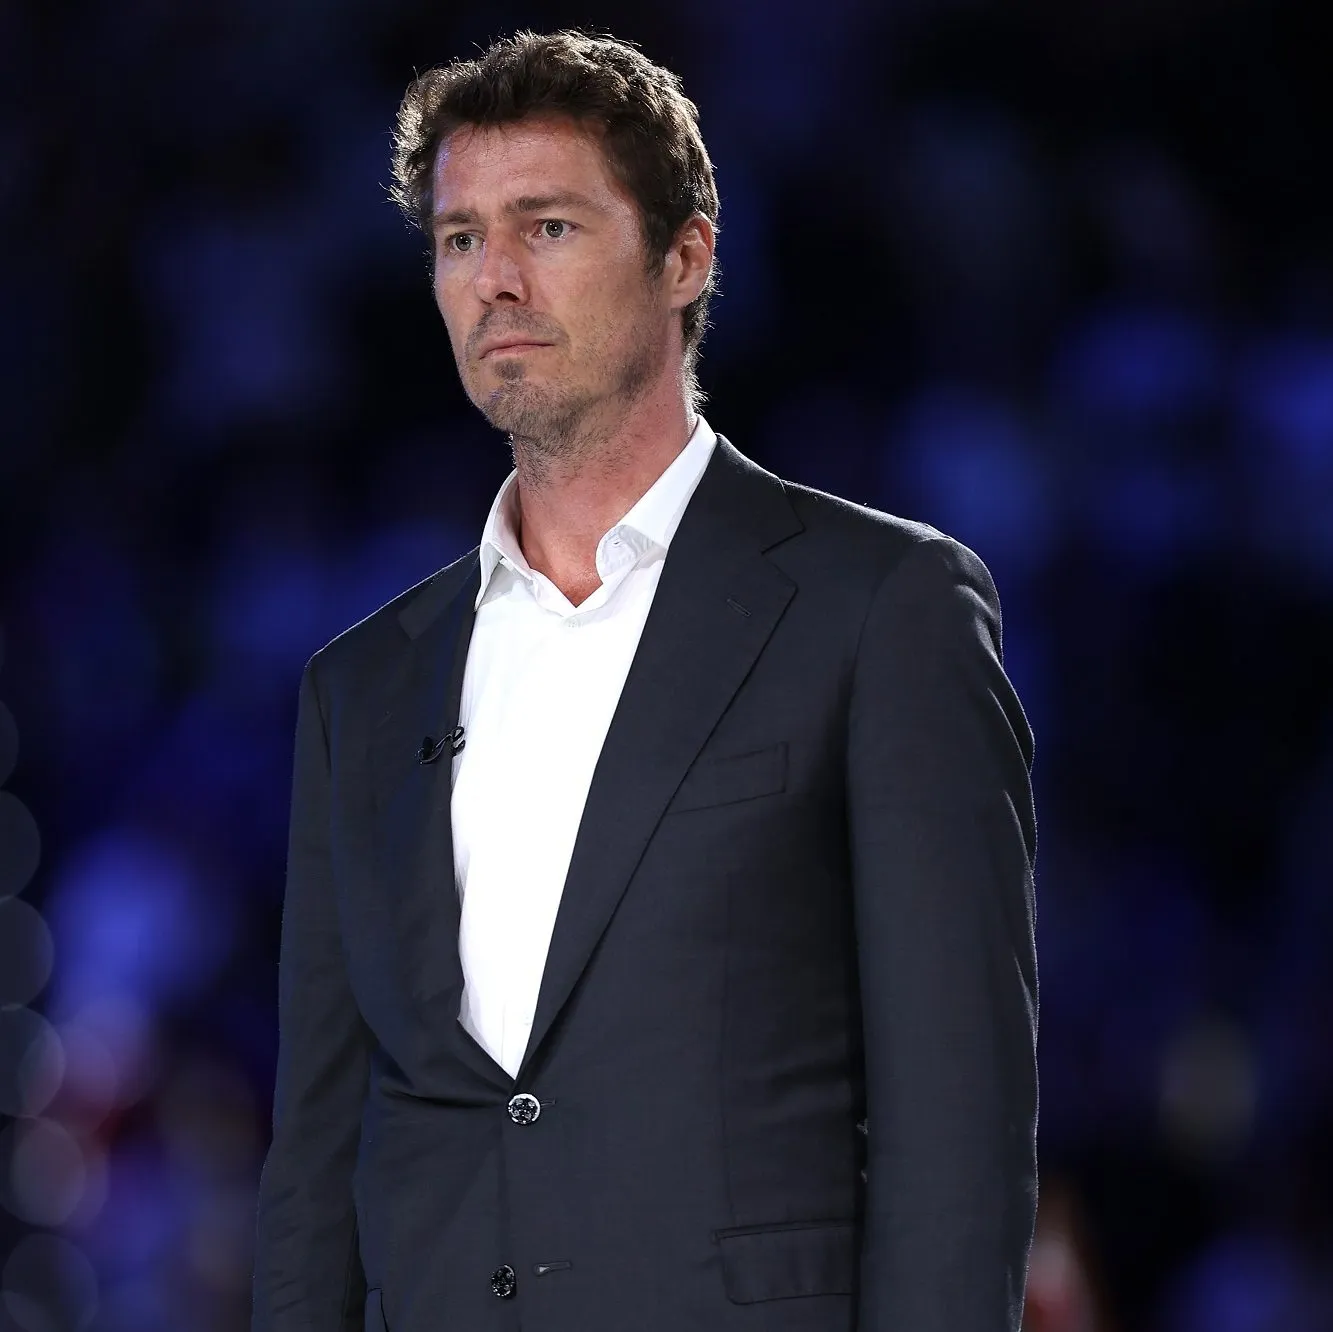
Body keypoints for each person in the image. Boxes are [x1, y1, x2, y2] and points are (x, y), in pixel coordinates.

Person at [252, 28, 1039, 1332]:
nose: (493, 279)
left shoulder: (881, 611)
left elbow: (955, 1131)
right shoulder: (364, 689)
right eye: (458, 239)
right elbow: (319, 1158)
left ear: (688, 257)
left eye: (546, 227)